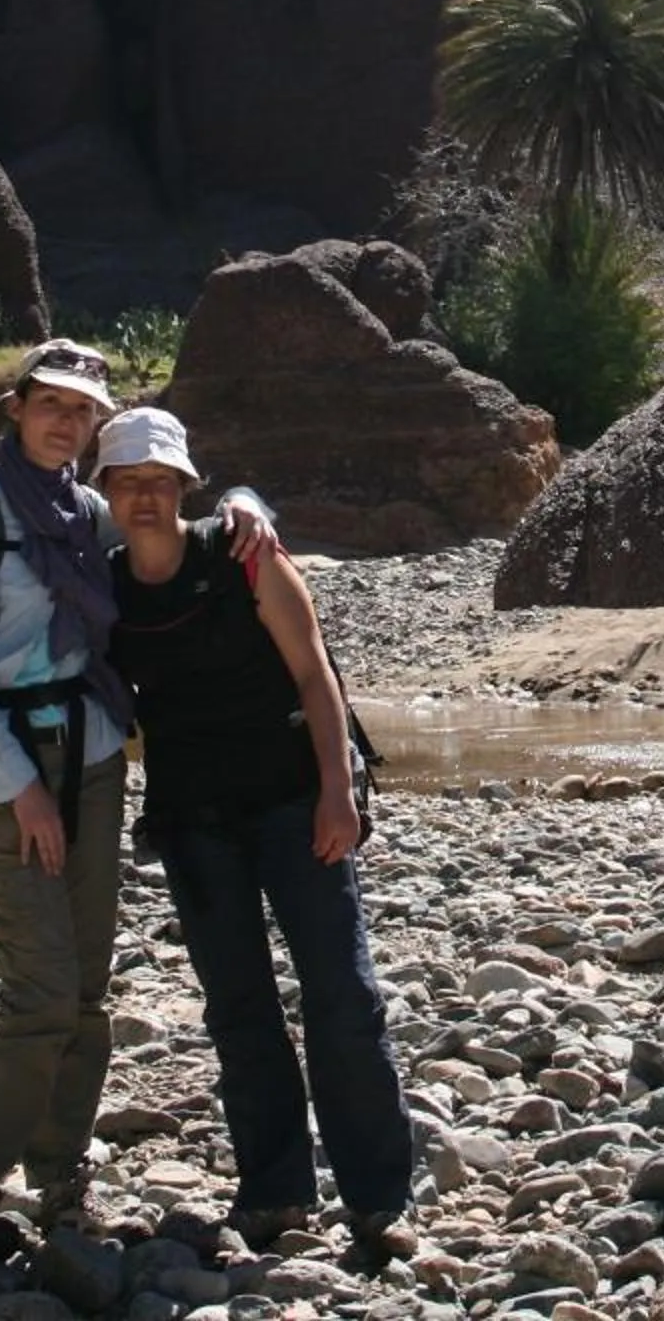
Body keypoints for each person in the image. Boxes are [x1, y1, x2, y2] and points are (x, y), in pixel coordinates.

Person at [0, 342, 276, 1258]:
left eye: (82, 414)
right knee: (38, 996)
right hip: (14, 766)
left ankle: (59, 1175)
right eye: (52, 406)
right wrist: (16, 788)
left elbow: (176, 531)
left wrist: (247, 504)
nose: (66, 424)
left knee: (84, 993)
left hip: (97, 758)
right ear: (16, 407)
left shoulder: (85, 515)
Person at [94, 406, 419, 1269]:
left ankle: (379, 1197)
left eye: (160, 482)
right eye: (128, 484)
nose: (146, 498)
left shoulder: (245, 556)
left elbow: (316, 678)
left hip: (292, 804)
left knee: (342, 996)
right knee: (240, 1011)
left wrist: (339, 795)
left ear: (184, 487)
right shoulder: (106, 590)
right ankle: (275, 1190)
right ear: (107, 494)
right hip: (196, 824)